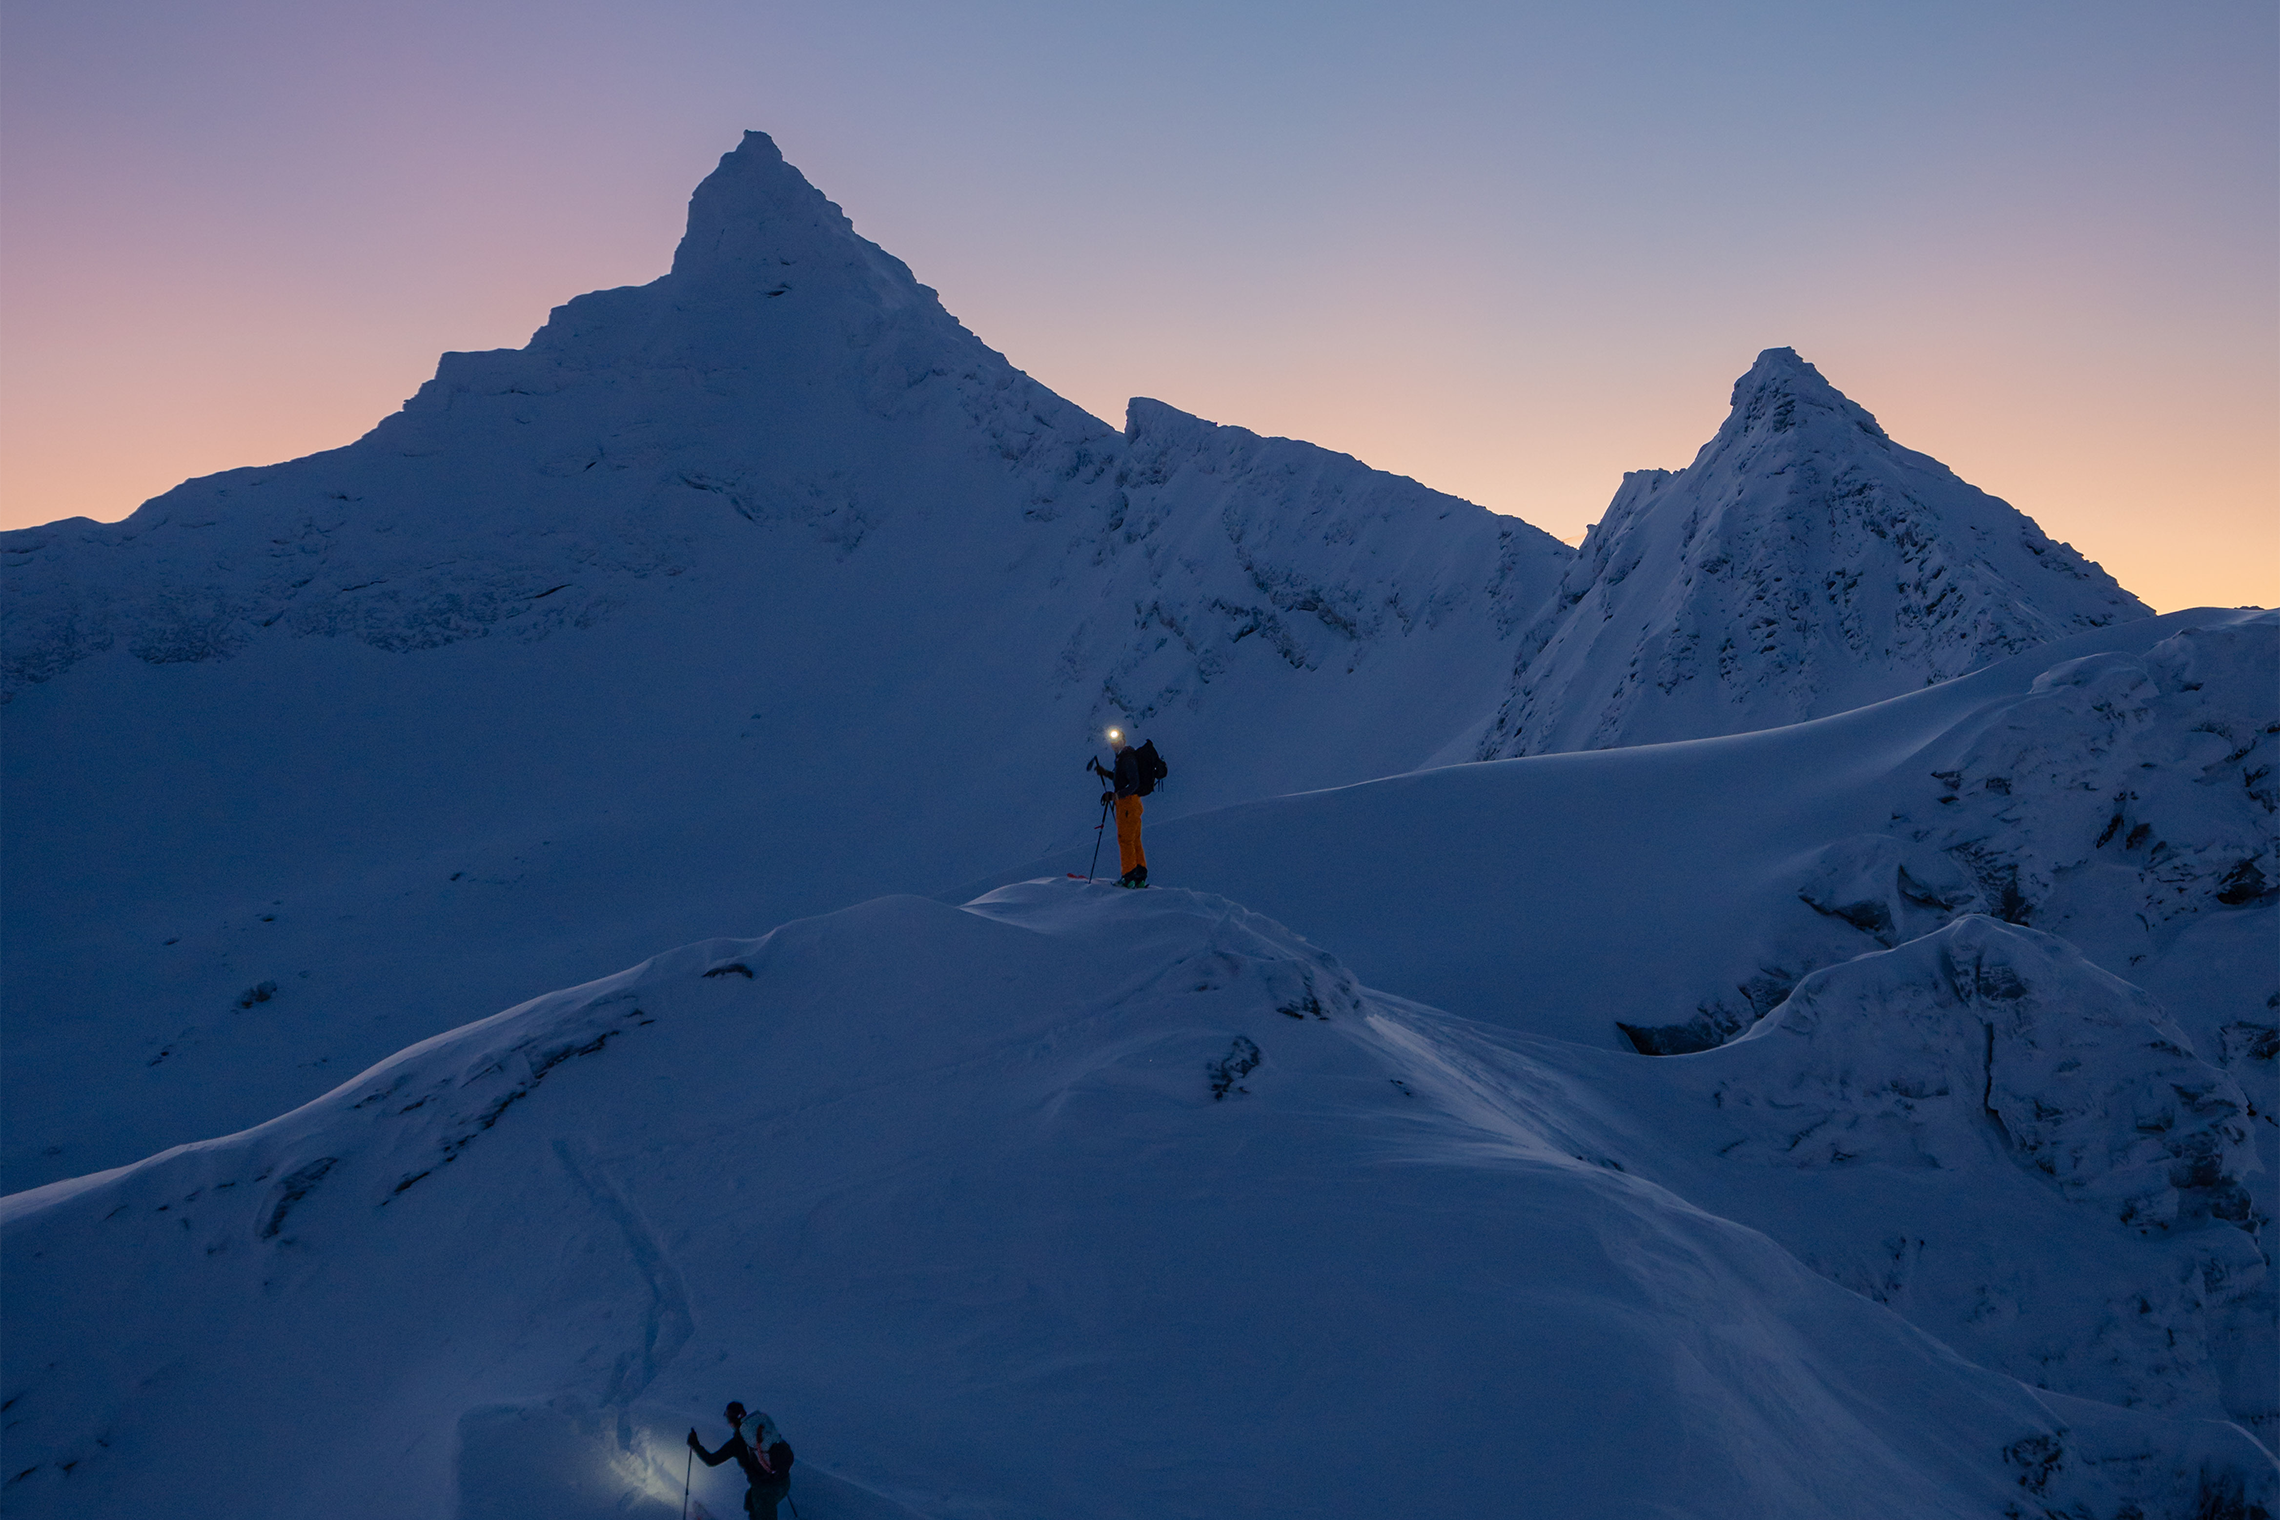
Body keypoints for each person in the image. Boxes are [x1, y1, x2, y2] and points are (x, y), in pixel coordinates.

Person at [688, 1401, 794, 1519]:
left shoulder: (737, 1443)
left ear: (731, 1421)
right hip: (784, 1483)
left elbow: (711, 1460)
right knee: (750, 1502)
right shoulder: (760, 1432)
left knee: (755, 1504)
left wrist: (695, 1444)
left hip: (764, 1492)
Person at [1089, 727, 1149, 888]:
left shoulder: (1127, 758)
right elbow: (1122, 779)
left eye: (1117, 741)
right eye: (1112, 742)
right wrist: (1106, 773)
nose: (1114, 744)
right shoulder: (1123, 757)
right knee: (1134, 839)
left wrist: (1116, 796)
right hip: (1132, 803)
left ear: (1123, 740)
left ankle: (1128, 876)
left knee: (1125, 840)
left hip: (1127, 804)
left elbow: (1134, 783)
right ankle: (1139, 875)